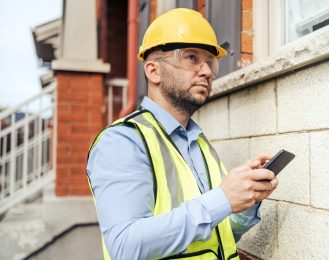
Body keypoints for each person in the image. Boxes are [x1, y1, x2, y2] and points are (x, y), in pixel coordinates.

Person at [86, 8, 278, 260]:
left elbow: (220, 233)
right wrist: (222, 198)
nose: (207, 71)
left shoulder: (199, 143)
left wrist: (245, 201)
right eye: (191, 58)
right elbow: (125, 246)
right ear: (153, 71)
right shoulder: (124, 141)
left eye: (210, 62)